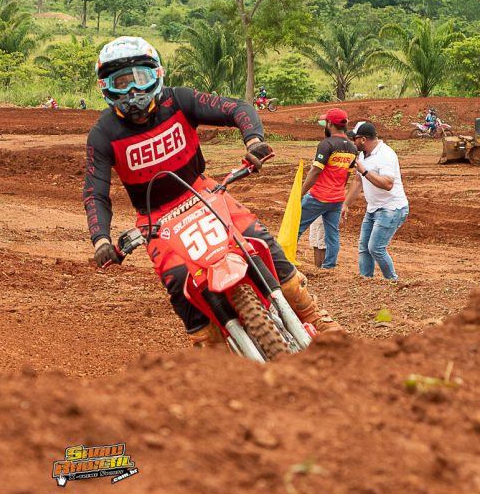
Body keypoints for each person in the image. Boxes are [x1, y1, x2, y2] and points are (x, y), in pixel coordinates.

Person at [83, 36, 340, 347]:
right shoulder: (103, 134)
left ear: (157, 74)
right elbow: (95, 191)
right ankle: (212, 353)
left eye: (141, 78)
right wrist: (101, 240)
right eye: (122, 83)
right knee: (178, 282)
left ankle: (314, 316)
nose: (133, 91)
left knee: (260, 242)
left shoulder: (178, 100)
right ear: (106, 87)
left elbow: (237, 108)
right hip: (155, 218)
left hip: (204, 193)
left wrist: (254, 141)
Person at [343, 121, 409, 281]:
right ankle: (366, 281)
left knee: (376, 248)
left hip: (391, 208)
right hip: (374, 208)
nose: (353, 142)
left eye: (355, 139)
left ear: (363, 139)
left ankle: (393, 281)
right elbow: (358, 181)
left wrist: (365, 171)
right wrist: (345, 203)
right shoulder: (362, 154)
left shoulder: (386, 155)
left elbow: (387, 184)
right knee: (364, 248)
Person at [296, 108, 358, 270]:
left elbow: (316, 171)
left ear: (330, 124)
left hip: (319, 196)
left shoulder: (326, 144)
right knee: (332, 235)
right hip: (337, 199)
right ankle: (329, 266)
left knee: (295, 226)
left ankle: (283, 262)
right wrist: (337, 191)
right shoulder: (352, 148)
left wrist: (299, 194)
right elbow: (346, 176)